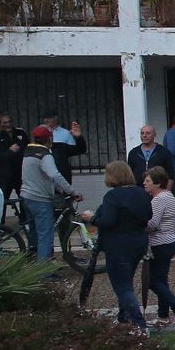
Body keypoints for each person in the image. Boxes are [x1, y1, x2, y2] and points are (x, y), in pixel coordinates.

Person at [84, 161, 151, 331]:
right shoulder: (141, 193)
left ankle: (139, 324)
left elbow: (107, 221)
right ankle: (124, 317)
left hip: (117, 244)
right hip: (138, 242)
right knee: (126, 279)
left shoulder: (113, 196)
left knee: (122, 286)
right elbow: (148, 215)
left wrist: (92, 218)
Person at [19, 126, 76, 261]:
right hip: (40, 199)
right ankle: (45, 272)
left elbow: (44, 176)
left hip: (26, 197)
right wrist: (72, 191)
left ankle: (35, 266)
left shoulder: (28, 152)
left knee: (35, 235)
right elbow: (54, 174)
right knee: (46, 235)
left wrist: (58, 188)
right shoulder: (45, 155)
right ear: (49, 138)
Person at [141, 168, 175, 327]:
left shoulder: (159, 199)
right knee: (161, 279)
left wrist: (137, 226)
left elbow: (153, 224)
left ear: (157, 183)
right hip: (169, 240)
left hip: (160, 243)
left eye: (147, 181)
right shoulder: (168, 195)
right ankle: (162, 316)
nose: (144, 184)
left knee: (153, 281)